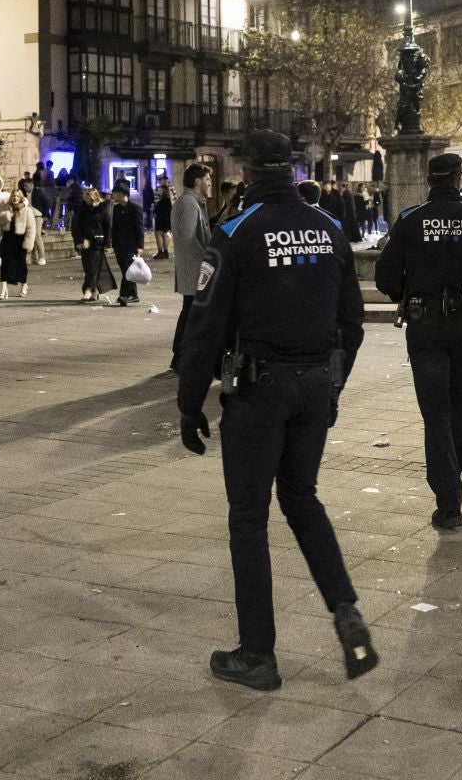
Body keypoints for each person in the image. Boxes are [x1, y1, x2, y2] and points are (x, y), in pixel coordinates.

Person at [174, 130, 377, 692]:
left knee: (248, 517)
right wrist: (332, 385)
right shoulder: (329, 228)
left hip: (260, 392)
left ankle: (258, 654)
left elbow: (204, 327)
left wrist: (190, 404)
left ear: (247, 170)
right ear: (290, 167)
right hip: (314, 384)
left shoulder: (236, 233)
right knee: (302, 498)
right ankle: (344, 610)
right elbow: (352, 323)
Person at [374, 152, 462, 530]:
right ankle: (453, 478)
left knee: (434, 413)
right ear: (458, 178)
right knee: (459, 408)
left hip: (425, 328)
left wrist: (411, 293)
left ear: (429, 179)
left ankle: (448, 497)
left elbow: (384, 278)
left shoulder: (410, 220)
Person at [170, 162, 214, 370]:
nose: (210, 182)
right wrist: (207, 260)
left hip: (193, 268)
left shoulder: (192, 201)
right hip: (194, 269)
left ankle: (180, 356)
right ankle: (181, 357)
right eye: (207, 179)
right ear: (197, 182)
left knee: (190, 311)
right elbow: (188, 238)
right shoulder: (188, 203)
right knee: (190, 313)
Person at [0, 188, 40, 299]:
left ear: (21, 198)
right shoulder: (6, 208)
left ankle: (24, 285)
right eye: (13, 196)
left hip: (20, 240)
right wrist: (7, 215)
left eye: (17, 196)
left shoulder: (27, 210)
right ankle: (4, 289)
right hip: (7, 239)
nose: (15, 198)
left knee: (21, 264)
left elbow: (31, 227)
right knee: (5, 264)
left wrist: (28, 243)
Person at [72, 185, 113, 302]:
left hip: (98, 241)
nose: (84, 199)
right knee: (87, 266)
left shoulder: (102, 208)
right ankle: (94, 290)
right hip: (85, 241)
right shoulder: (81, 209)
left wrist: (107, 243)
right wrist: (78, 241)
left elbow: (107, 226)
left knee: (93, 267)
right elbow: (76, 226)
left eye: (86, 197)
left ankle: (88, 289)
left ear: (92, 197)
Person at [111, 184, 146, 305]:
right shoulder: (116, 209)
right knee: (125, 270)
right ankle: (133, 294)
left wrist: (140, 246)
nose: (113, 195)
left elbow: (139, 228)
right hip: (119, 245)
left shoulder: (135, 208)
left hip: (131, 245)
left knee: (128, 270)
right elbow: (114, 227)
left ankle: (124, 295)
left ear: (122, 194)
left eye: (115, 193)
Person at [152, 178, 174, 258]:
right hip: (169, 214)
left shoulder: (158, 189)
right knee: (166, 233)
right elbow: (175, 200)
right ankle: (166, 252)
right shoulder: (172, 189)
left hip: (160, 214)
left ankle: (160, 252)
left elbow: (156, 201)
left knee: (158, 233)